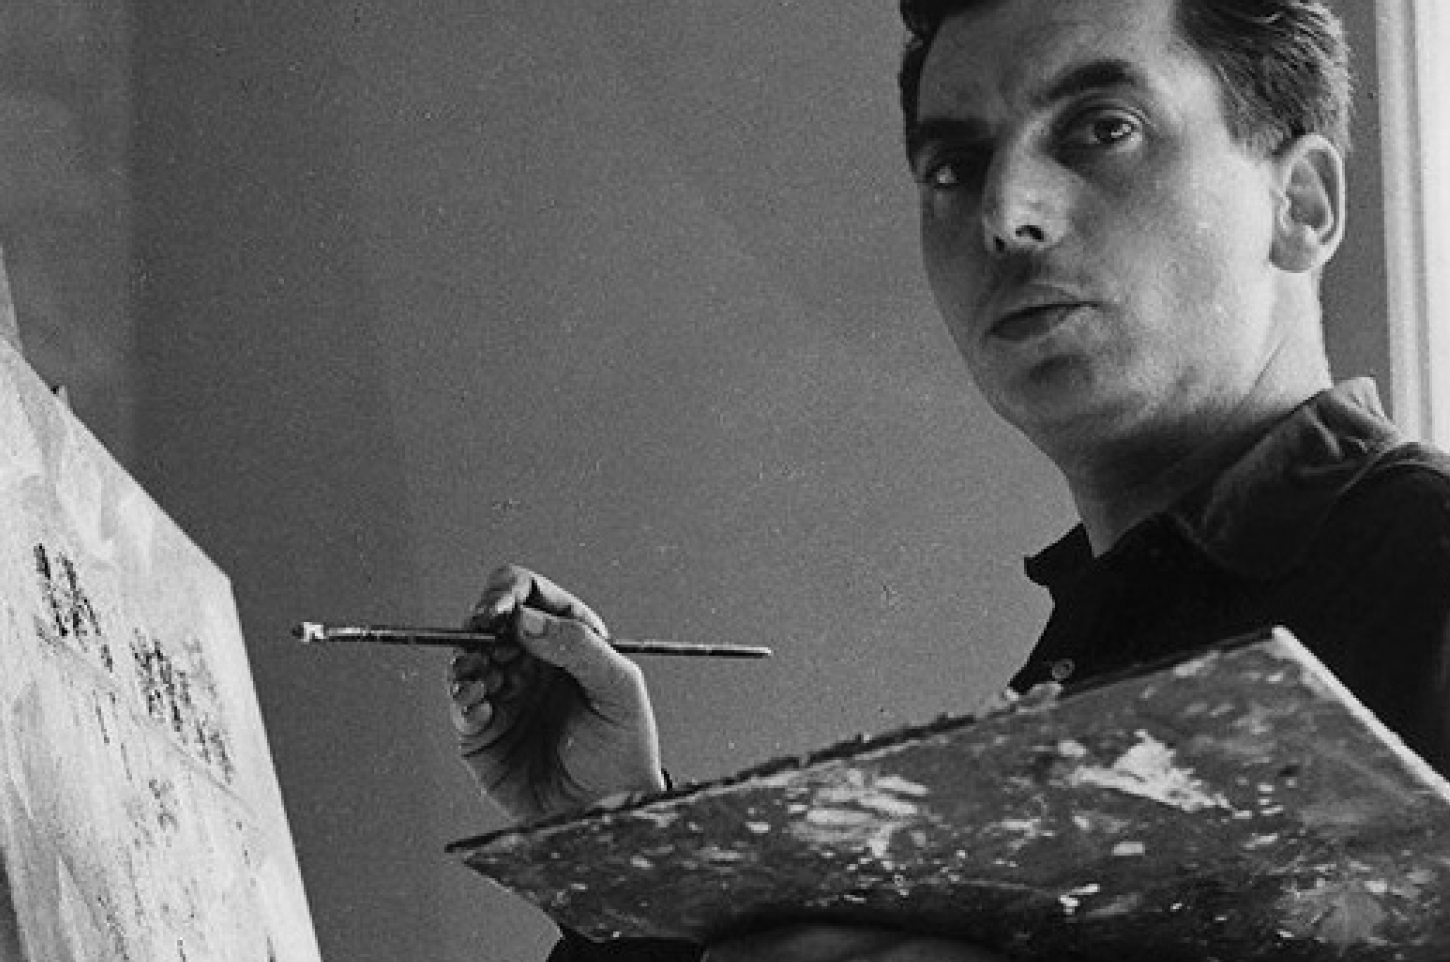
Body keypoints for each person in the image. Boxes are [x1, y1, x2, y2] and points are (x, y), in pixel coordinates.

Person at [446, 0, 1450, 959]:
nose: (1005, 213)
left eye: (1103, 129)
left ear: (1302, 204)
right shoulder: (1105, 633)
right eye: (954, 167)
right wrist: (624, 847)